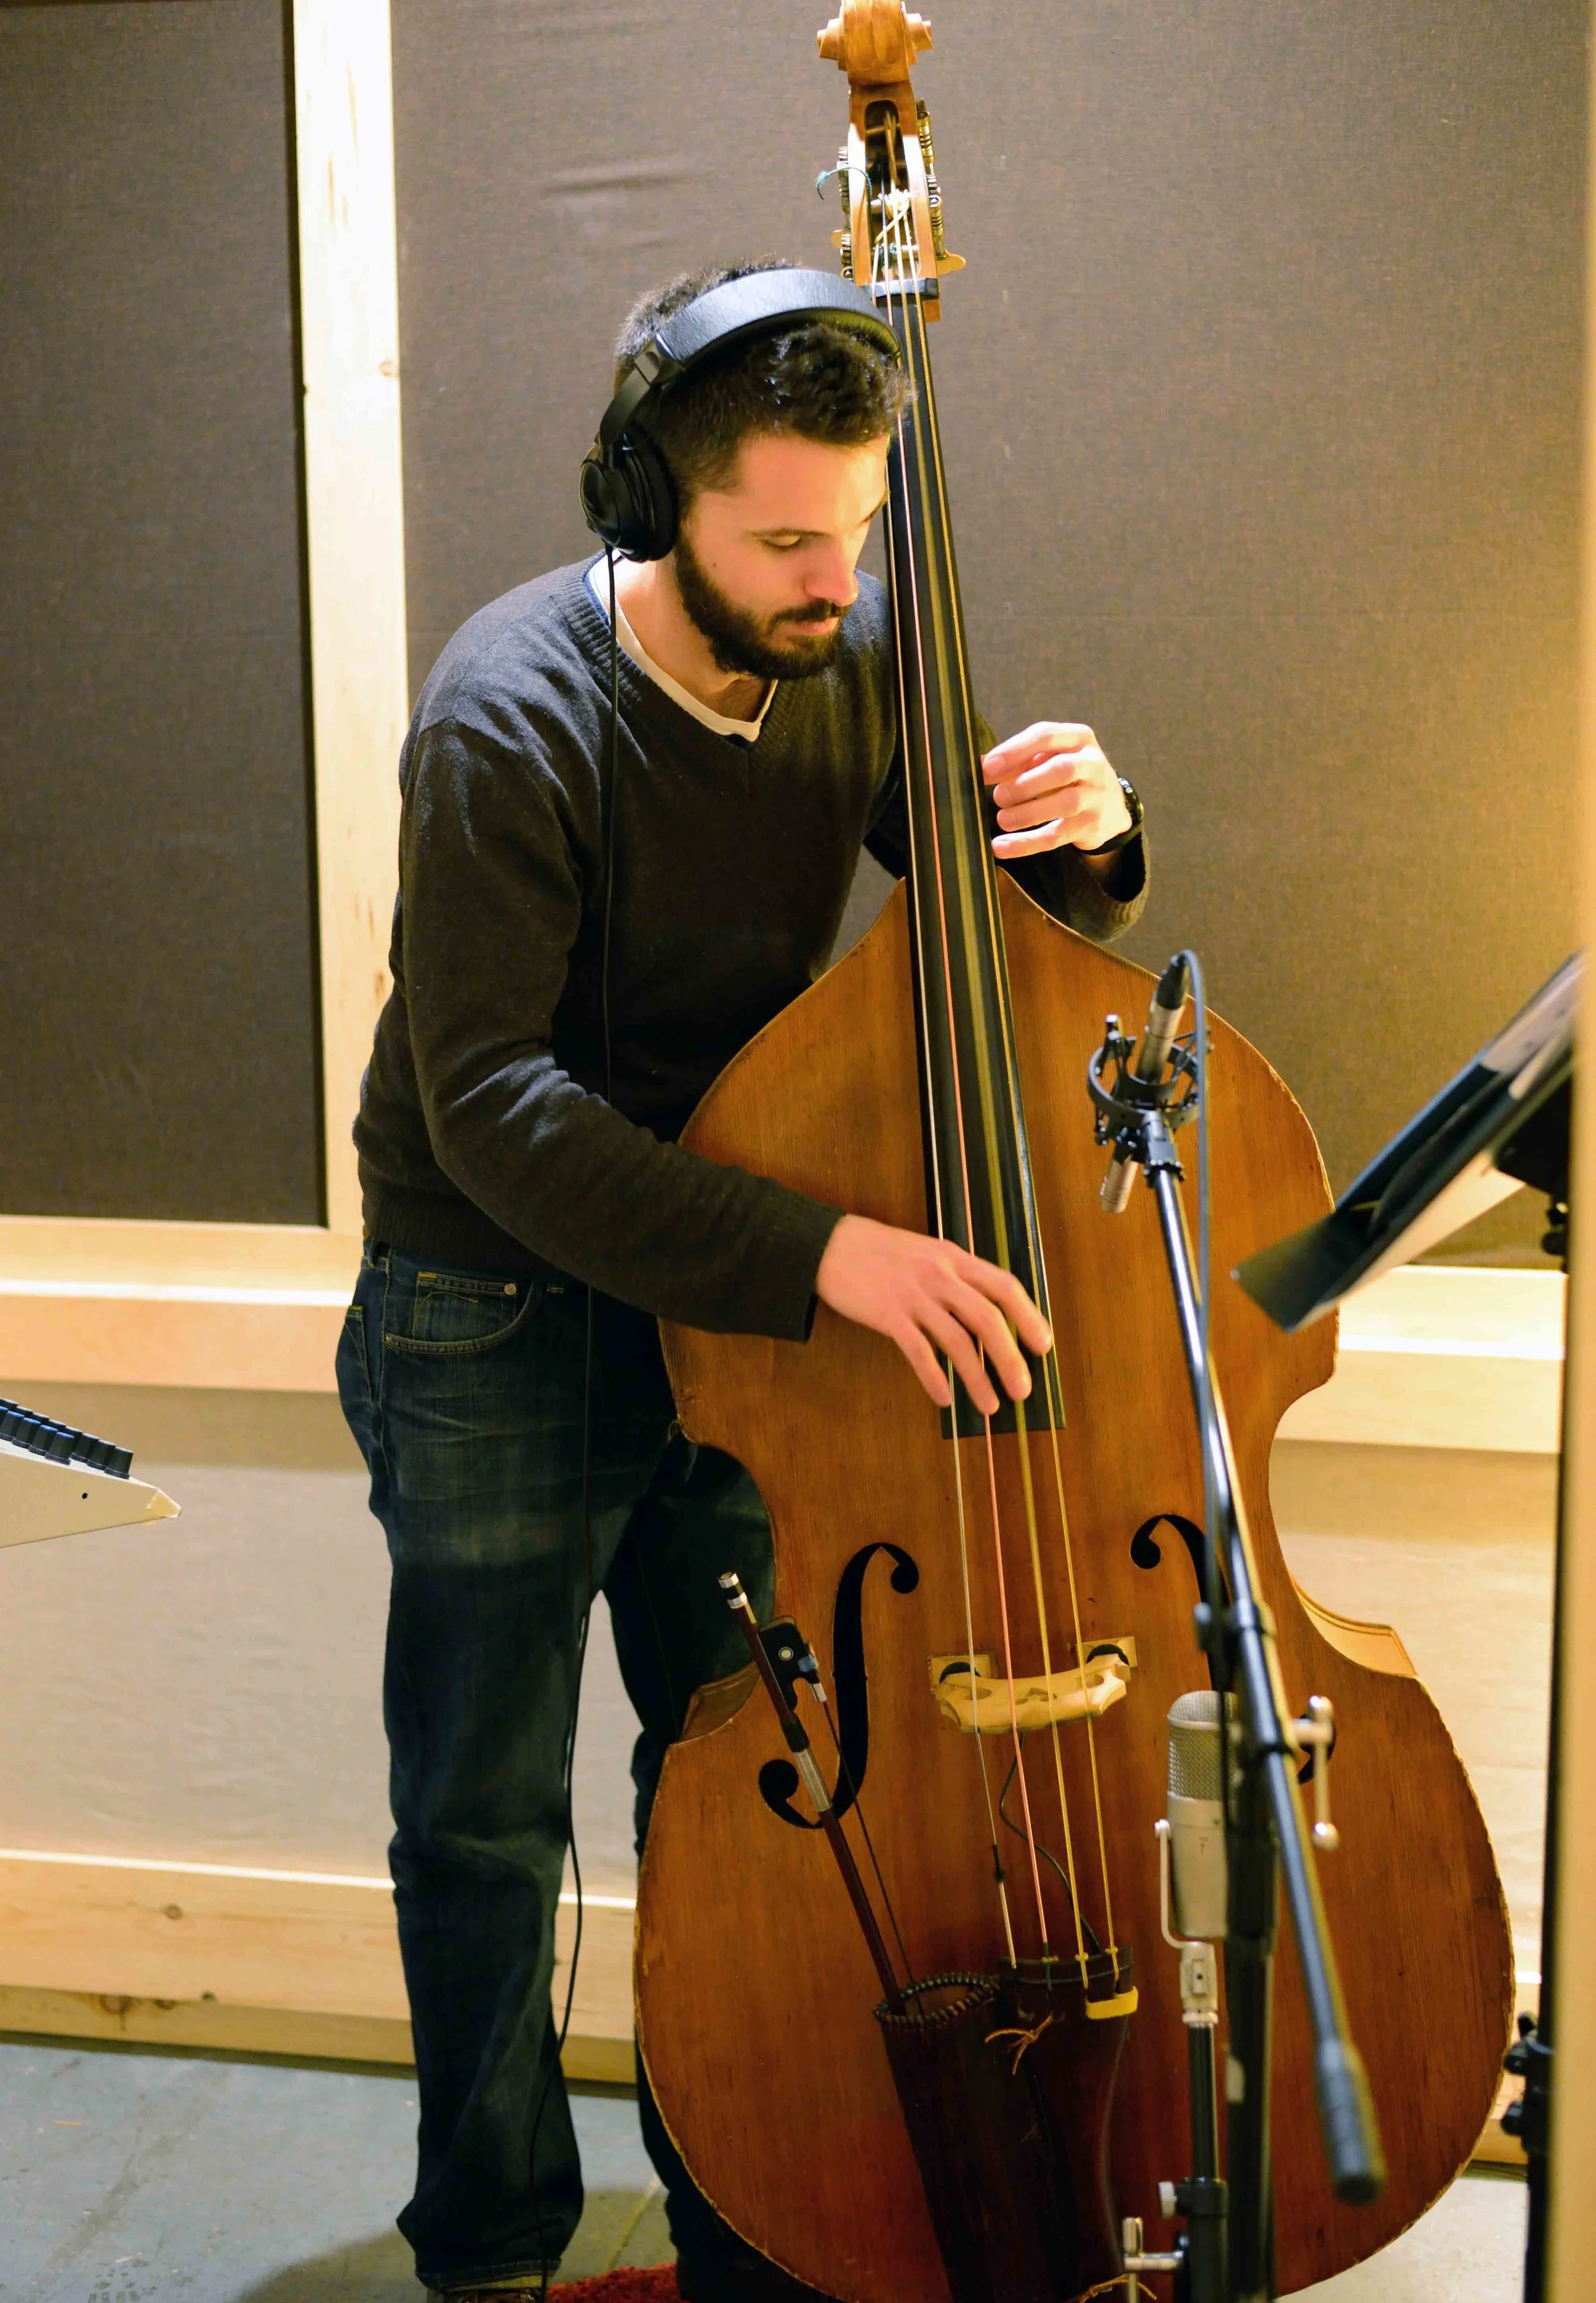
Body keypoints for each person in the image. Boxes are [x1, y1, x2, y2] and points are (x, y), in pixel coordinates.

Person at [336, 259, 1148, 2302]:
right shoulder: (503, 719)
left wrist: (1082, 851)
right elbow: (493, 1107)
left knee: (750, 1801)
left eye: (856, 533)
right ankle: (497, 2247)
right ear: (651, 506)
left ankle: (742, 2224)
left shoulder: (849, 647)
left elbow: (975, 924)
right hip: (495, 1309)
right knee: (485, 1820)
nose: (830, 580)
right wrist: (829, 1254)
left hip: (730, 1305)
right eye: (783, 540)